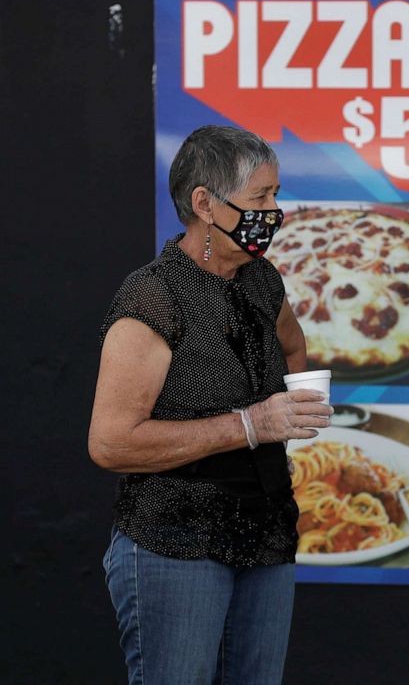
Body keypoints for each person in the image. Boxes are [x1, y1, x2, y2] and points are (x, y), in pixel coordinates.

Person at [88, 125, 332, 684]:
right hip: (174, 541)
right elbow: (110, 443)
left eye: (276, 194)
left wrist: (295, 412)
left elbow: (293, 344)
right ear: (204, 204)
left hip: (267, 534)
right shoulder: (153, 296)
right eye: (260, 198)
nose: (276, 211)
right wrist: (250, 424)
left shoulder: (262, 281)